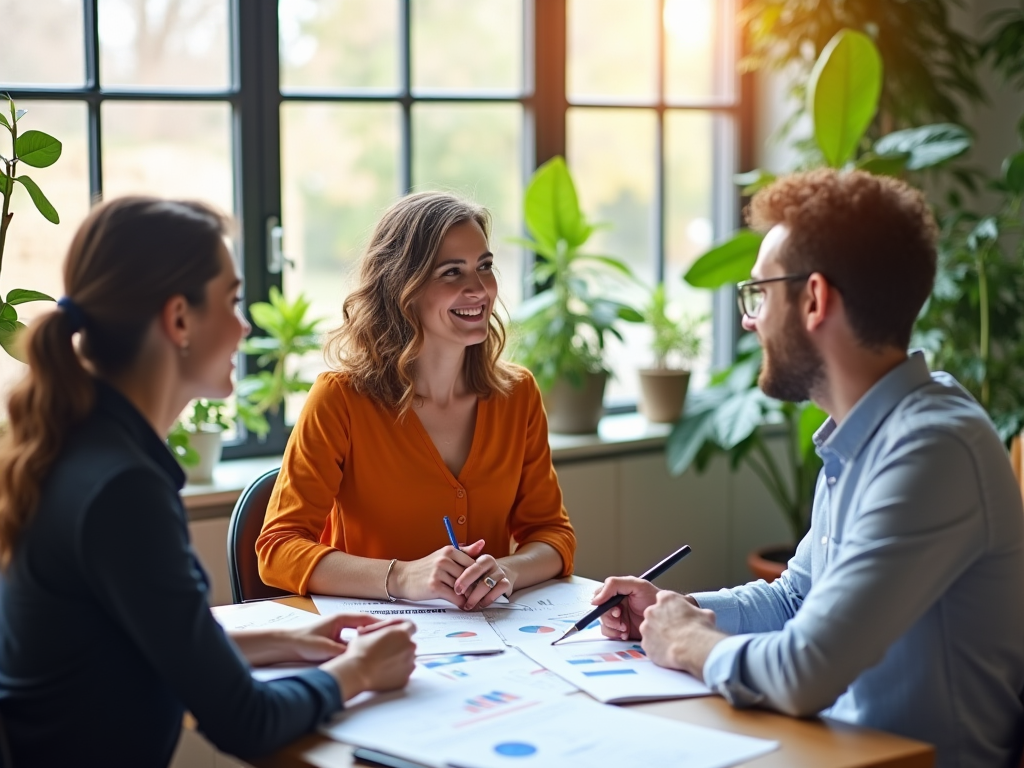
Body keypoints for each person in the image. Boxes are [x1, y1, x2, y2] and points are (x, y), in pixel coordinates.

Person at [594, 169, 1024, 767]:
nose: (750, 320)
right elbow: (799, 598)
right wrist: (680, 609)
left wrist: (691, 643)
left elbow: (805, 671)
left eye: (759, 294)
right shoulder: (865, 431)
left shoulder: (931, 450)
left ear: (815, 299)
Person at [0, 197, 416, 768]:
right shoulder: (123, 490)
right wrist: (360, 670)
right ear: (178, 320)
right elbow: (248, 722)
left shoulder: (79, 448)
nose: (244, 325)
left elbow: (149, 647)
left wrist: (290, 641)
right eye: (232, 300)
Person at [257, 192, 576, 611]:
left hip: (492, 642)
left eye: (484, 266)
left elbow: (553, 536)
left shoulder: (517, 395)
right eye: (451, 272)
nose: (479, 289)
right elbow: (277, 549)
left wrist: (509, 570)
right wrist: (402, 577)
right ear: (401, 288)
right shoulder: (339, 400)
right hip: (373, 642)